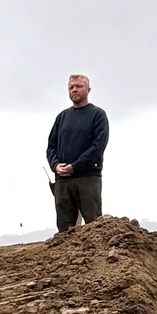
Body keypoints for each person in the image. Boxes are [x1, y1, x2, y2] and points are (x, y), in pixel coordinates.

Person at [45, 74, 109, 233]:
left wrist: (76, 166)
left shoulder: (97, 115)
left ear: (88, 89)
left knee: (94, 228)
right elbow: (51, 146)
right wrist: (55, 165)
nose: (74, 90)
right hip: (63, 181)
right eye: (71, 87)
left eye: (78, 86)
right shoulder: (62, 117)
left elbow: (98, 146)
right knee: (65, 231)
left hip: (88, 178)